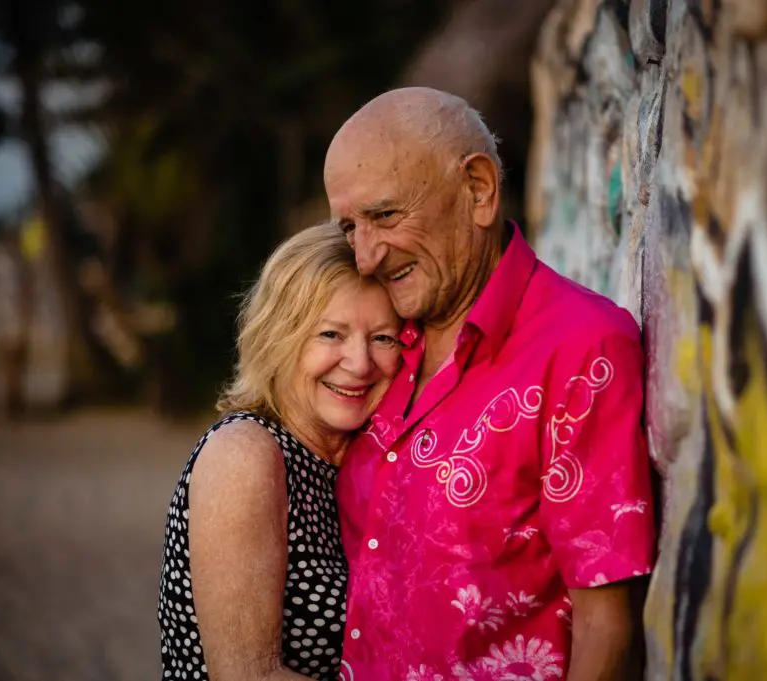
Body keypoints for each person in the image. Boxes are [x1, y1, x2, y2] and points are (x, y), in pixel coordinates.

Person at [325, 87, 657, 681]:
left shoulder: (581, 346)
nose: (367, 256)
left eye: (383, 215)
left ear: (478, 188)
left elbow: (607, 624)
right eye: (350, 227)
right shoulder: (378, 339)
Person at [157, 221, 402, 681]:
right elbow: (248, 677)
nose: (360, 363)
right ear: (280, 338)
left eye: (383, 338)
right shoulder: (245, 454)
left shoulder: (357, 464)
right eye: (331, 334)